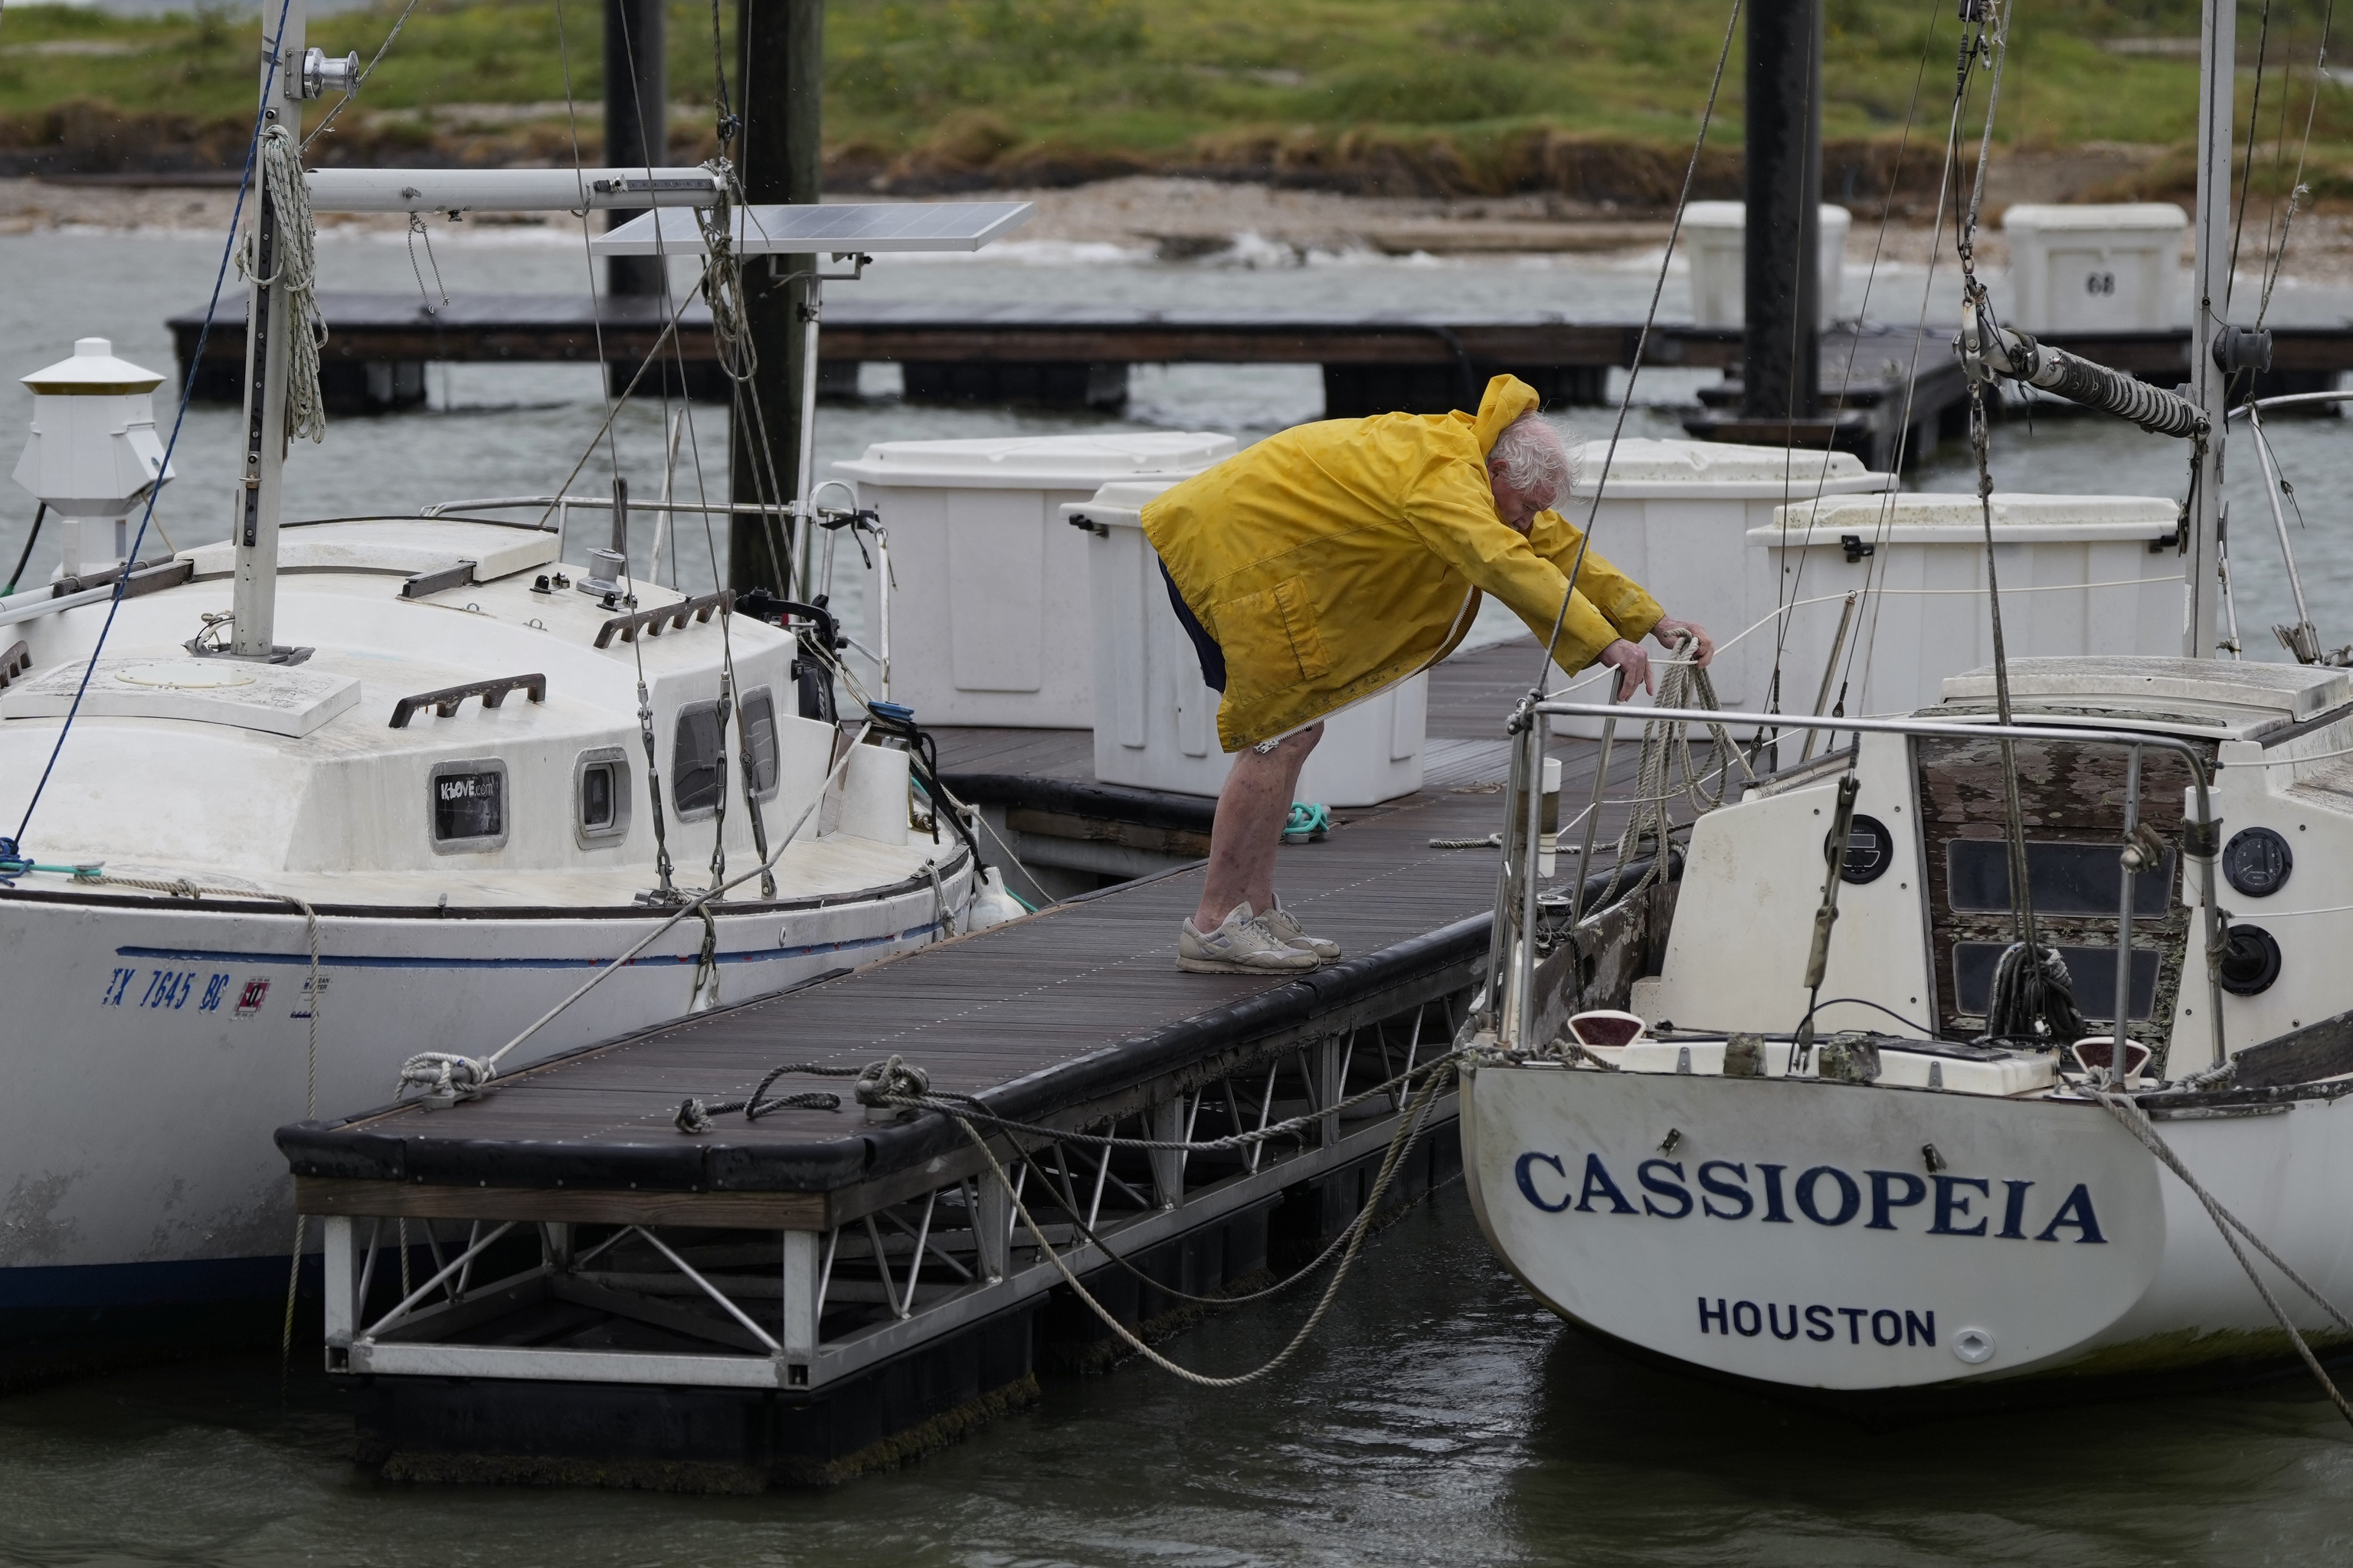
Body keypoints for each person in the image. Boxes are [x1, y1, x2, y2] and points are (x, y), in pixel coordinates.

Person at [1144, 374, 1714, 974]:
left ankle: (1252, 912)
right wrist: (1605, 645)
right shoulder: (1445, 477)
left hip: (1250, 547)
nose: (1528, 522)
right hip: (1229, 552)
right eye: (1527, 508)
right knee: (1275, 735)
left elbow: (1558, 551)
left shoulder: (1475, 460)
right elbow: (1502, 560)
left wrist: (1653, 620)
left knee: (1295, 731)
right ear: (1498, 475)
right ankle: (1215, 925)